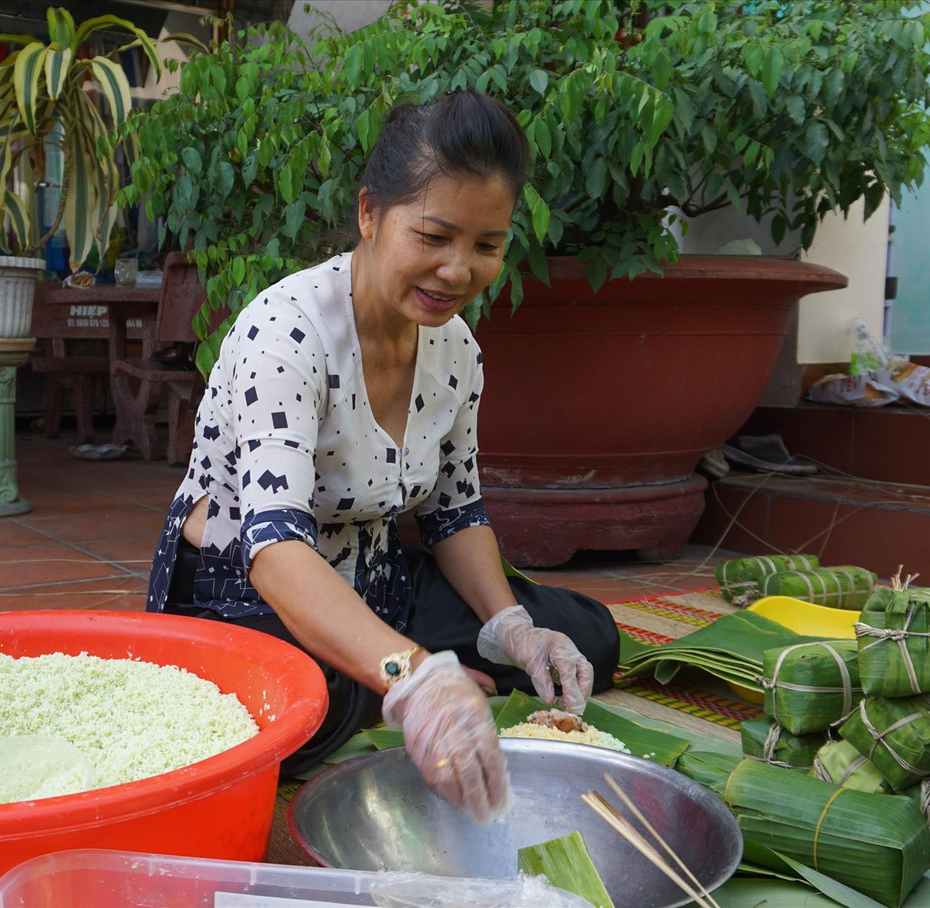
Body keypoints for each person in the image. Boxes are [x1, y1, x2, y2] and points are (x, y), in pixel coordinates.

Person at [145, 90, 619, 823]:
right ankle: (387, 684)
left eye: (487, 246)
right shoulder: (287, 332)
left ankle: (404, 677)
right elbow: (274, 552)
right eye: (434, 235)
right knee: (309, 706)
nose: (458, 270)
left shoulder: (457, 350)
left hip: (376, 579)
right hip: (245, 596)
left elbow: (456, 513)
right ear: (370, 214)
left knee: (583, 640)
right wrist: (416, 674)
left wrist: (510, 629)